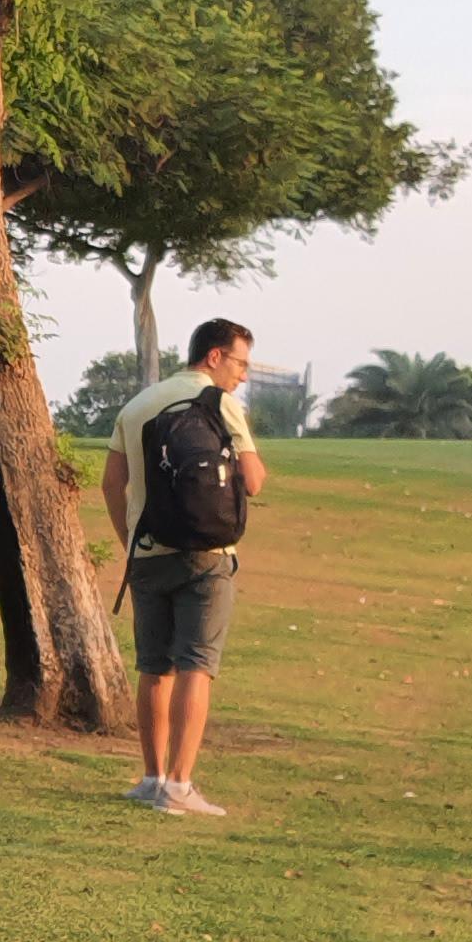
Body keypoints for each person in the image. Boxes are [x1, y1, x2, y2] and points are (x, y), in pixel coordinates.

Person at [101, 317, 267, 819]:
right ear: (214, 357)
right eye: (240, 363)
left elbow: (112, 484)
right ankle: (179, 785)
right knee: (196, 665)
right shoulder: (219, 403)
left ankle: (152, 779)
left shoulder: (137, 405)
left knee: (154, 667)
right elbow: (254, 480)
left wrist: (130, 540)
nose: (243, 376)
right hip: (208, 556)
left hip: (148, 553)